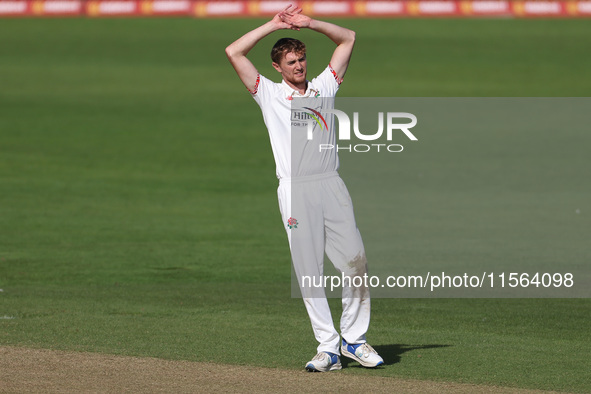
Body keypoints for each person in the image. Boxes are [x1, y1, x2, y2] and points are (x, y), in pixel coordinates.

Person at [225, 5, 383, 372]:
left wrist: (310, 23)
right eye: (291, 61)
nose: (299, 66)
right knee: (309, 270)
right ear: (278, 67)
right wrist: (272, 24)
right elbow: (234, 52)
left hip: (331, 184)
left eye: (301, 59)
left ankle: (354, 340)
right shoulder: (268, 93)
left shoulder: (325, 85)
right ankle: (327, 348)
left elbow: (349, 38)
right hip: (296, 190)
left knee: (356, 261)